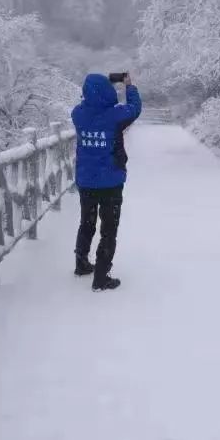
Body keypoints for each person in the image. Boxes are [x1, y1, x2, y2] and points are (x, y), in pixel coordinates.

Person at [71, 72, 142, 291]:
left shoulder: (78, 114)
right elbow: (134, 108)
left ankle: (81, 263)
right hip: (110, 181)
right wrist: (129, 86)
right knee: (109, 228)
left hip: (86, 181)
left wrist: (100, 87)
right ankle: (101, 276)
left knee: (87, 222)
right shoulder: (115, 116)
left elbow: (92, 103)